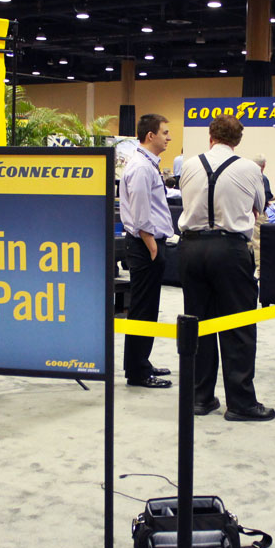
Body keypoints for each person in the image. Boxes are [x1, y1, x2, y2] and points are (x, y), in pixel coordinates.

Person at [178, 115, 273, 422]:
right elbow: (260, 207)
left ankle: (199, 397)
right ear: (238, 140)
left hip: (191, 249)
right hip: (230, 250)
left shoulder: (189, 165)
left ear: (211, 136)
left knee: (199, 324)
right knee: (238, 326)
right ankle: (241, 403)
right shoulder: (249, 168)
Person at [119, 113, 174, 389]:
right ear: (150, 136)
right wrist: (152, 246)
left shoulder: (147, 164)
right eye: (165, 132)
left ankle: (141, 362)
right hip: (145, 246)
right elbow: (141, 213)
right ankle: (138, 371)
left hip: (147, 244)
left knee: (148, 308)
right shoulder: (141, 167)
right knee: (142, 309)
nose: (169, 138)